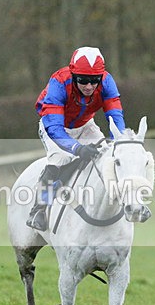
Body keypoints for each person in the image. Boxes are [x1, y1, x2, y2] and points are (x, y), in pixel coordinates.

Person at [26, 46, 127, 231]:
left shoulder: (107, 81)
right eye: (83, 80)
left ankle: (124, 202)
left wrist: (118, 142)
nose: (89, 86)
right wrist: (77, 149)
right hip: (55, 127)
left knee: (108, 155)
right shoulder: (59, 82)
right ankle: (39, 208)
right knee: (61, 159)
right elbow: (55, 128)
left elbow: (115, 116)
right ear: (73, 75)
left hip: (86, 125)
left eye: (94, 81)